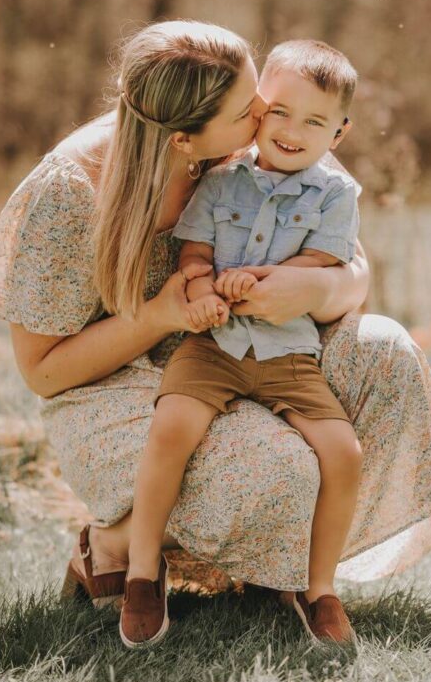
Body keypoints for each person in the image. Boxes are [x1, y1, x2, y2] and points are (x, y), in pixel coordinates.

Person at [0, 19, 431, 640]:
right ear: (183, 140)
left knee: (387, 353)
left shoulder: (262, 131)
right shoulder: (71, 191)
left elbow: (350, 265)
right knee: (279, 466)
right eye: (249, 111)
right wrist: (159, 316)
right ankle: (118, 546)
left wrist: (313, 289)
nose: (267, 116)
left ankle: (283, 570)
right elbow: (43, 373)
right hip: (113, 384)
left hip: (254, 343)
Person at [123, 39, 363, 648]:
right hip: (215, 346)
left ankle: (321, 589)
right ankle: (142, 572)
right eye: (279, 111)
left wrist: (256, 279)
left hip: (288, 353)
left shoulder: (337, 195)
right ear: (257, 110)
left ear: (339, 133)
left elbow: (321, 259)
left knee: (344, 453)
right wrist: (202, 289)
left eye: (315, 121)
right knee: (172, 424)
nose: (291, 130)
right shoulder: (220, 181)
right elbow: (195, 252)